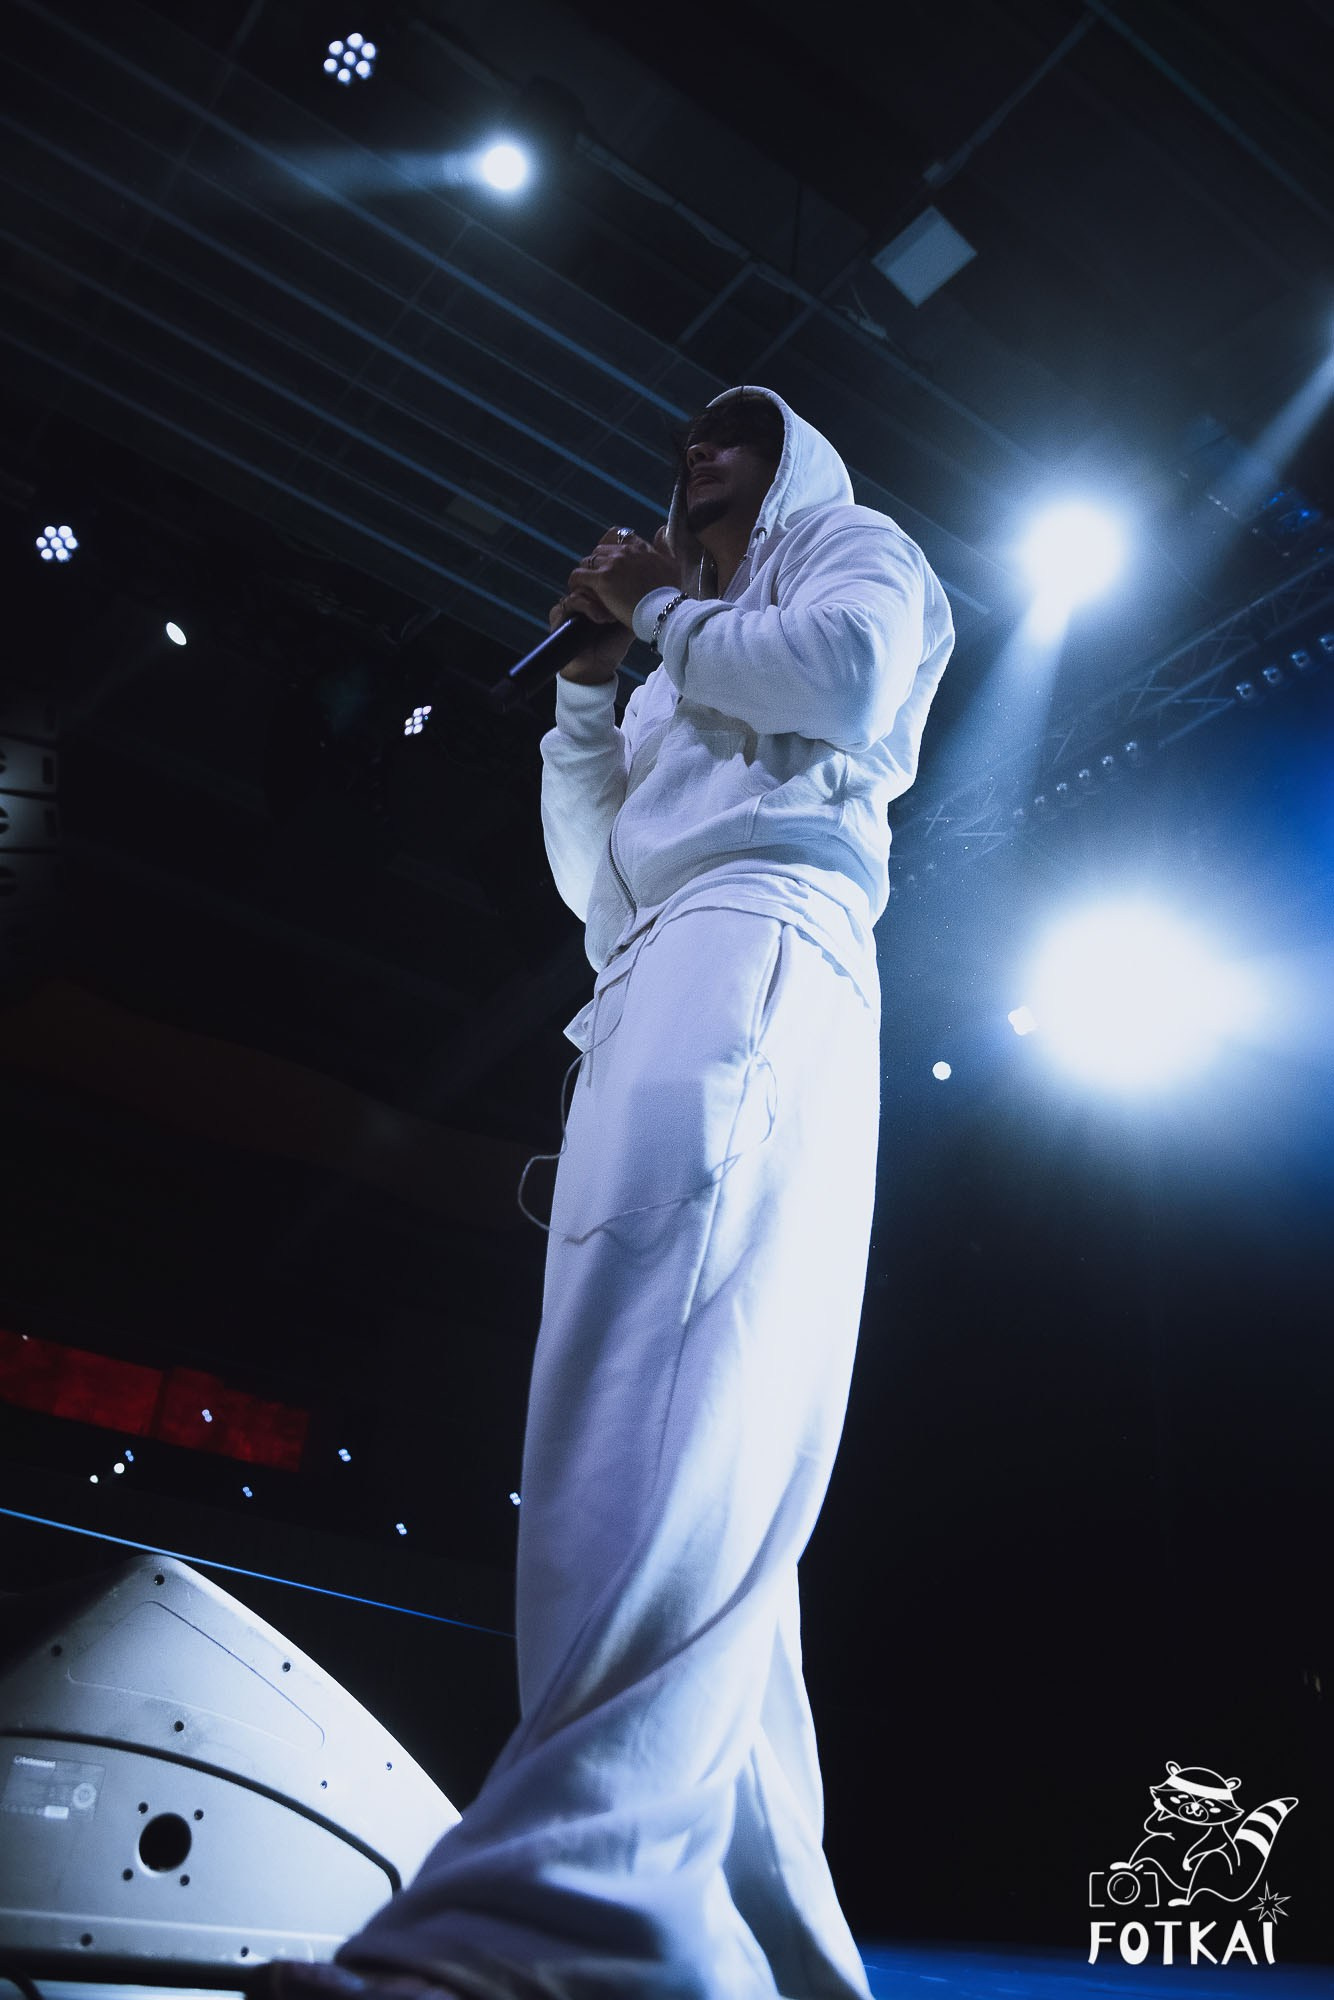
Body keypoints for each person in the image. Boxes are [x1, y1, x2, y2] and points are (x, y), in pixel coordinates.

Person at [264, 387, 953, 1999]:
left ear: (792, 465)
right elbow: (596, 882)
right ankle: (743, 1945)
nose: (695, 449)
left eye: (734, 431)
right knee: (661, 1438)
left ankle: (557, 1925)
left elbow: (848, 679)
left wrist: (654, 612)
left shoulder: (849, 547)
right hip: (646, 971)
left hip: (755, 934)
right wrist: (588, 698)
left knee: (656, 1404)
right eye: (687, 437)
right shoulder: (671, 657)